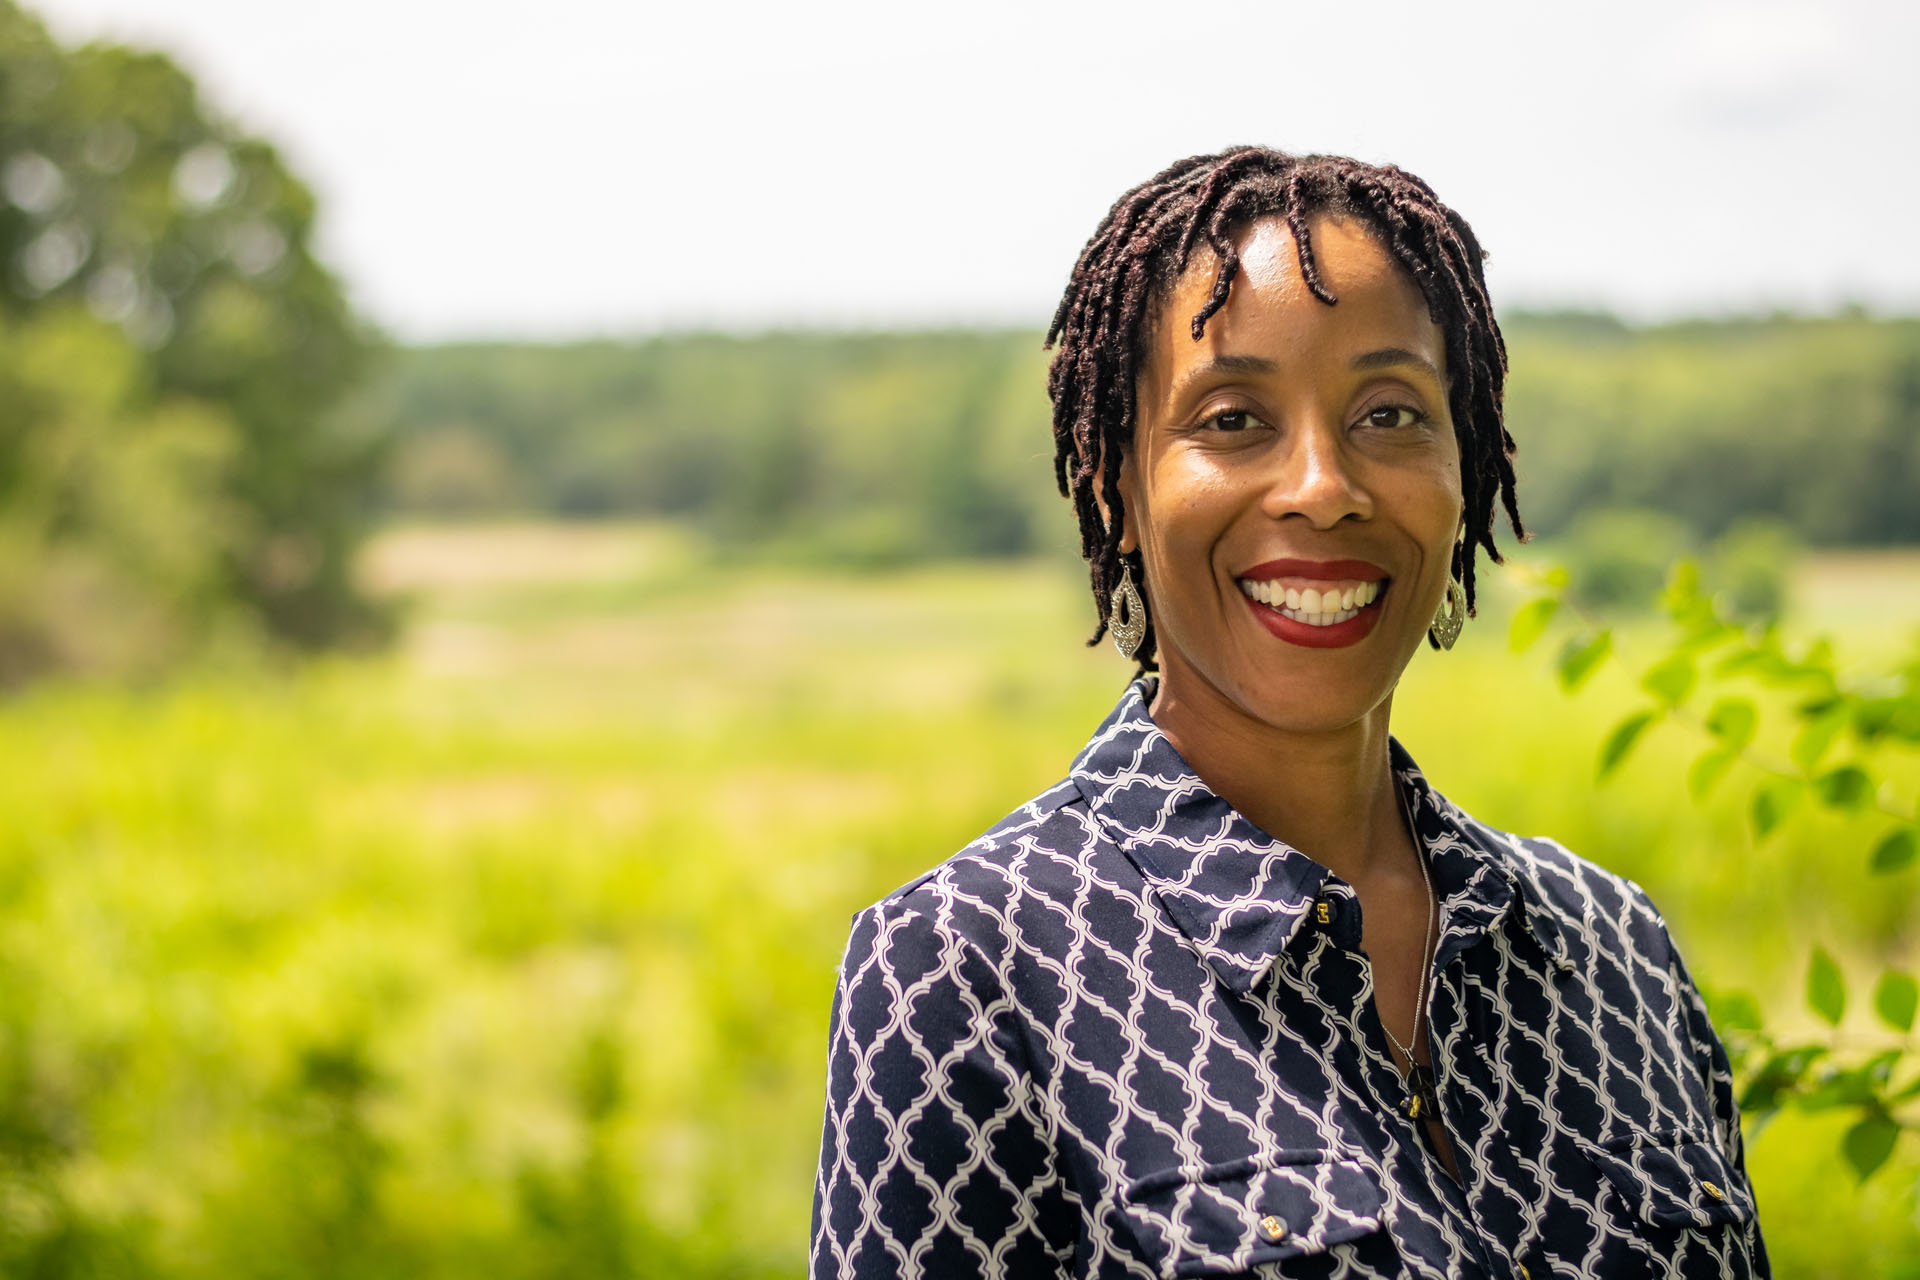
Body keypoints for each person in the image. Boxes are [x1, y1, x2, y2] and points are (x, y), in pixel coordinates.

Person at [809, 147, 1768, 1278]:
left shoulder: (1614, 948)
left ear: (1467, 469)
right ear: (1117, 484)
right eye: (1230, 419)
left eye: (1391, 412)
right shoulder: (969, 966)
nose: (1323, 482)